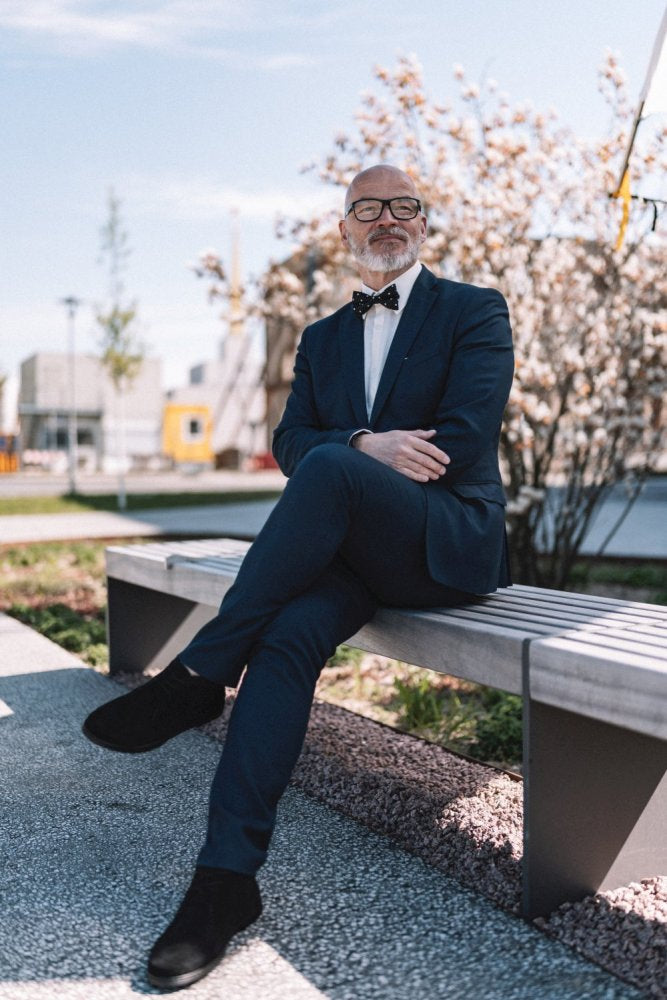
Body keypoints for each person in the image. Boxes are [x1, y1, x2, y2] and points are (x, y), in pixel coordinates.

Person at [83, 164, 514, 990]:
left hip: (445, 542)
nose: (386, 219)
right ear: (344, 229)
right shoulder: (320, 339)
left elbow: (455, 441)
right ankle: (223, 885)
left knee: (328, 467)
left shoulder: (473, 309)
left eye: (403, 207)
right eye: (367, 209)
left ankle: (201, 671)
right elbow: (287, 445)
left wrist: (347, 455)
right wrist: (361, 445)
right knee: (285, 632)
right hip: (352, 555)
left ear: (423, 224)